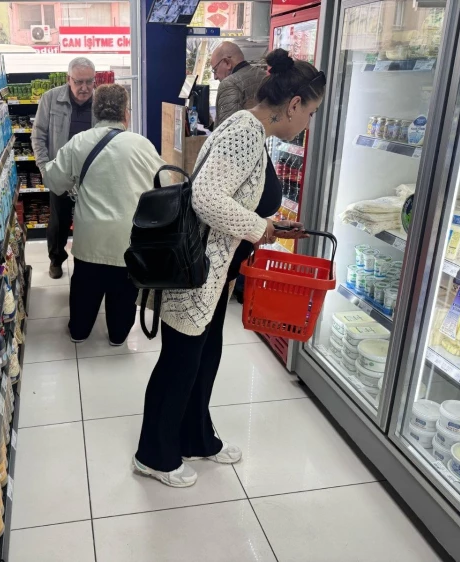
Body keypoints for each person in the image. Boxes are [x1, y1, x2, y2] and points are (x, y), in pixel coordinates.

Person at [134, 49, 326, 488]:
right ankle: (153, 455)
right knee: (180, 362)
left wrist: (268, 226)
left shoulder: (251, 129)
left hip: (216, 271)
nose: (308, 123)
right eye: (310, 113)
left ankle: (195, 437)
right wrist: (259, 227)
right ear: (294, 104)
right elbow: (207, 197)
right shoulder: (244, 131)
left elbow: (233, 195)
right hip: (198, 270)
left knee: (203, 358)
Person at [42, 84, 167, 345]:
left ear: (96, 112)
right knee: (124, 294)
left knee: (85, 291)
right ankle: (118, 336)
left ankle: (79, 332)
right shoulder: (141, 145)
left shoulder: (79, 142)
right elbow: (165, 184)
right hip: (128, 238)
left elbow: (53, 181)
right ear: (125, 113)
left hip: (91, 238)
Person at [32, 57, 96, 280]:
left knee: (90, 221)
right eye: (79, 82)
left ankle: (87, 263)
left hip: (91, 175)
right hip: (61, 171)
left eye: (89, 81)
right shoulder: (50, 99)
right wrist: (44, 167)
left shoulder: (100, 101)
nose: (84, 88)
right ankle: (56, 260)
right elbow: (38, 135)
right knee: (59, 221)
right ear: (69, 79)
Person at [211, 41, 266, 126]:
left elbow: (228, 130)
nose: (215, 77)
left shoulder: (229, 84)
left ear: (227, 62)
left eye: (215, 70)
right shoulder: (264, 75)